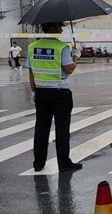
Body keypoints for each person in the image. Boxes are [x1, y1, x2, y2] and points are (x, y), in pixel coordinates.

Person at [27, 22, 83, 172]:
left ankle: (38, 163)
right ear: (51, 29)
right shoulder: (61, 47)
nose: (62, 29)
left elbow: (31, 72)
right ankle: (64, 164)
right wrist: (76, 56)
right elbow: (69, 69)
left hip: (41, 93)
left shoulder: (32, 47)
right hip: (60, 93)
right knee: (62, 129)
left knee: (41, 128)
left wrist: (34, 91)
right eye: (59, 27)